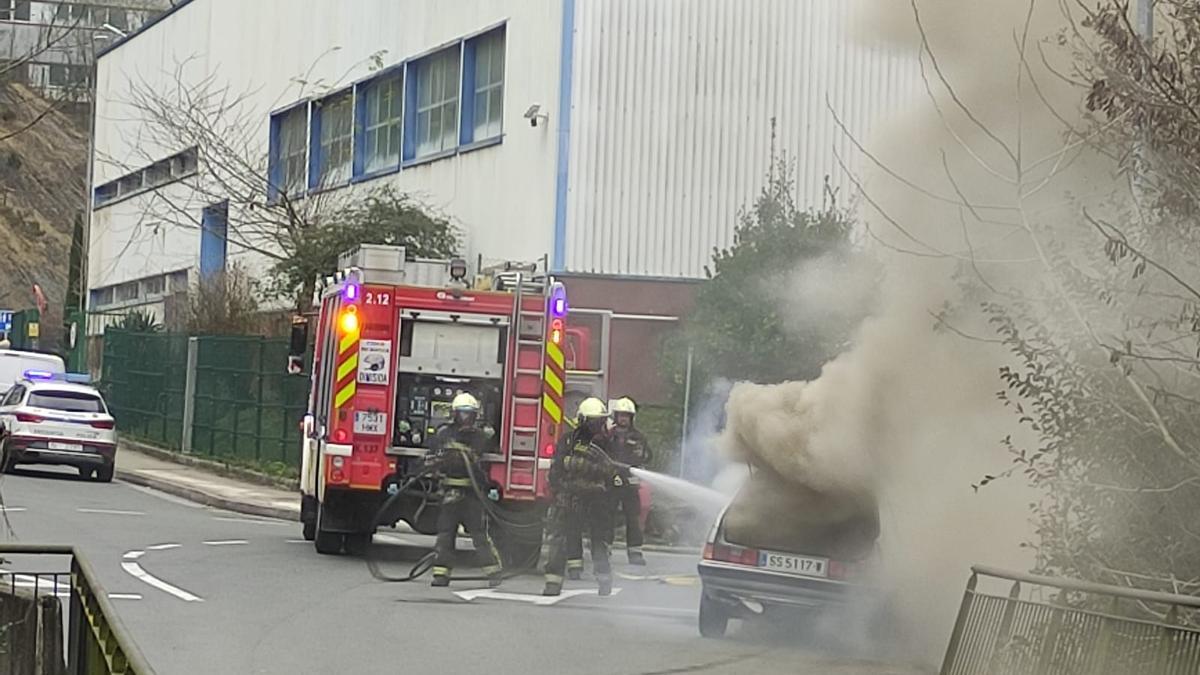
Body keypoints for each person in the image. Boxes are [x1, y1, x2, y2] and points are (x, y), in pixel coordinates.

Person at [543, 397, 627, 597]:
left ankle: (604, 580)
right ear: (582, 421)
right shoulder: (569, 441)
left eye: (599, 421)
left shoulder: (607, 445)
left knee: (598, 541)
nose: (596, 426)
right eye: (593, 421)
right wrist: (558, 490)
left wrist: (610, 493)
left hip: (595, 501)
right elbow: (556, 468)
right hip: (570, 498)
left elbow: (615, 475)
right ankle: (554, 583)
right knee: (562, 539)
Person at [426, 392, 502, 588]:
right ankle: (441, 574)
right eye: (462, 413)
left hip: (471, 495)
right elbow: (432, 453)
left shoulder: (480, 436)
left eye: (469, 414)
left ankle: (493, 572)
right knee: (445, 535)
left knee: (479, 536)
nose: (466, 418)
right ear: (455, 413)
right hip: (449, 493)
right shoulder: (444, 433)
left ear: (475, 415)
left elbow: (480, 460)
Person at [608, 397, 652, 565]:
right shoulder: (607, 435)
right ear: (616, 416)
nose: (624, 419)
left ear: (631, 418)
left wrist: (632, 467)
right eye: (621, 415)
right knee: (607, 517)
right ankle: (605, 549)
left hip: (630, 485)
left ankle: (635, 553)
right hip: (611, 483)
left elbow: (645, 456)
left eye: (627, 416)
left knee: (633, 519)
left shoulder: (638, 437)